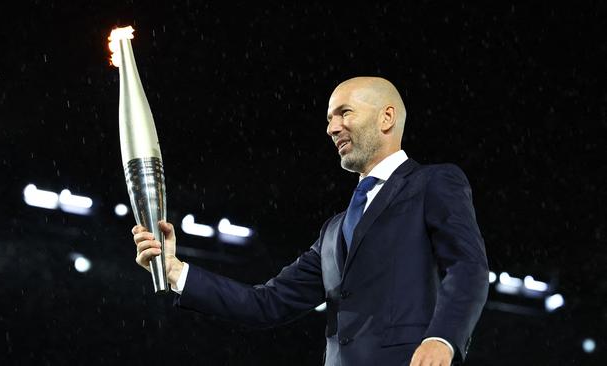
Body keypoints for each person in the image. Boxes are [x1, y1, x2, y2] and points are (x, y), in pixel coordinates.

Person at [132, 77, 489, 366]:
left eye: (344, 113)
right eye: (329, 120)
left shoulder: (433, 182)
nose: (332, 128)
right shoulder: (334, 231)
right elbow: (266, 304)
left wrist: (442, 339)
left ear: (386, 118)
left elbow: (468, 266)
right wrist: (175, 269)